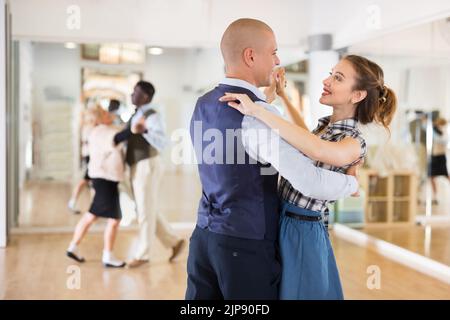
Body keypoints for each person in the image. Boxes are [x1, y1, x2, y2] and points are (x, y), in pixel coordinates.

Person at [185, 18, 361, 300]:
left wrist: (272, 102)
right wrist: (351, 184)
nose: (278, 60)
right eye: (274, 52)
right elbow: (309, 180)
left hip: (203, 240)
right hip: (244, 245)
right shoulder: (255, 115)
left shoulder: (204, 103)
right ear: (250, 56)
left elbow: (234, 158)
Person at [220, 55, 397, 299]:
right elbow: (306, 138)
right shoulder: (325, 128)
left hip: (303, 228)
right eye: (331, 73)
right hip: (286, 219)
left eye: (338, 78)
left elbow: (317, 149)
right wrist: (282, 96)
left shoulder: (354, 142)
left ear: (357, 95)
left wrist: (257, 110)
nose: (326, 80)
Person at [113, 81, 185, 268]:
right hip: (139, 165)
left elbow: (162, 141)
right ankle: (174, 242)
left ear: (145, 96)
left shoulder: (152, 115)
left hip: (148, 165)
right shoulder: (138, 113)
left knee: (145, 211)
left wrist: (144, 130)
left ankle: (143, 255)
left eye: (135, 92)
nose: (131, 94)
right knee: (146, 209)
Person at [66, 108, 127, 268]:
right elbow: (118, 137)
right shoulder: (102, 132)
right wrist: (134, 127)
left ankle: (74, 247)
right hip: (105, 179)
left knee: (92, 216)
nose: (111, 116)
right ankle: (107, 255)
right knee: (113, 219)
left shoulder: (96, 131)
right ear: (100, 118)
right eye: (107, 114)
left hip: (102, 178)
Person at [68, 105, 103, 214]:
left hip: (91, 156)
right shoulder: (89, 128)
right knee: (88, 181)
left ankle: (93, 206)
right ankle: (74, 203)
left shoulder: (90, 127)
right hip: (91, 157)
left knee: (90, 181)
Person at [430, 117, 449, 204]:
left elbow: (442, 140)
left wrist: (435, 130)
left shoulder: (443, 132)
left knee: (446, 175)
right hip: (435, 156)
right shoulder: (436, 131)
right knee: (432, 177)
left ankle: (435, 196)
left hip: (441, 156)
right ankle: (435, 197)